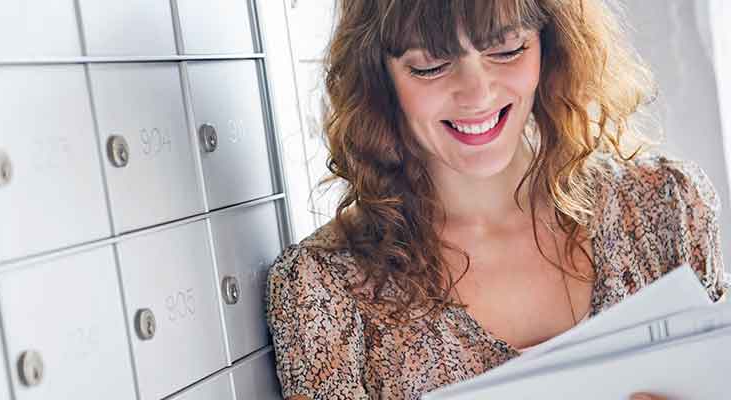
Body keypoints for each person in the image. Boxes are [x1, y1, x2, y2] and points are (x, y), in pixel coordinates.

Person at [266, 1, 729, 399]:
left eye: (507, 49)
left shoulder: (668, 206)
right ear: (378, 75)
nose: (478, 94)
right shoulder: (325, 289)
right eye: (430, 65)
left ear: (549, 43)